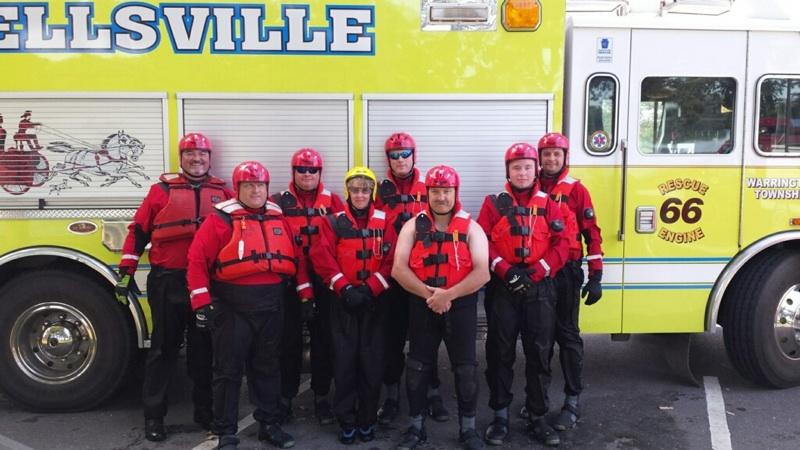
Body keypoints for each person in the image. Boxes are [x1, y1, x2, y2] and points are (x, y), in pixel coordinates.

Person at [186, 161, 313, 450]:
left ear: (267, 188)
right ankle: (225, 432)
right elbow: (196, 261)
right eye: (249, 185)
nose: (256, 190)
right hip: (232, 308)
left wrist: (306, 295)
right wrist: (202, 303)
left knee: (268, 368)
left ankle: (269, 424)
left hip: (271, 306)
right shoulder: (220, 220)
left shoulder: (279, 219)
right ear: (238, 188)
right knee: (228, 372)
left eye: (260, 185)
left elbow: (298, 260)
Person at [114, 133, 232, 441]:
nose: (197, 159)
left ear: (210, 158)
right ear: (180, 158)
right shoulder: (160, 192)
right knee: (163, 349)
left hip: (206, 284)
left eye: (202, 154)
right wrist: (126, 271)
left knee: (204, 351)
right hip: (168, 281)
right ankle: (154, 417)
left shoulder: (224, 193)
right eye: (190, 153)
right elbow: (138, 232)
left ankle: (204, 412)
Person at [477, 142, 569, 447]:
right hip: (504, 288)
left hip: (539, 288)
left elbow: (562, 245)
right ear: (508, 171)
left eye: (528, 167)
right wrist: (504, 270)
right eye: (516, 167)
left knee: (539, 353)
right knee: (499, 353)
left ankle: (538, 416)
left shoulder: (550, 204)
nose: (522, 172)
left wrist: (538, 271)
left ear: (536, 170)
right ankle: (500, 416)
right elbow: (481, 242)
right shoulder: (493, 204)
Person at [392, 165, 489, 450]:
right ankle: (415, 428)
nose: (441, 197)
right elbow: (399, 269)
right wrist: (430, 296)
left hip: (460, 306)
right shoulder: (413, 226)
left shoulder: (472, 227)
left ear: (455, 193)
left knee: (465, 370)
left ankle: (468, 430)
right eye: (436, 191)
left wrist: (449, 295)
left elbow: (483, 272)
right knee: (418, 367)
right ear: (427, 193)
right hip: (423, 304)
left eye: (446, 191)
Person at [311, 166, 396, 444]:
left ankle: (367, 419)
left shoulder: (385, 222)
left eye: (365, 190)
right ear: (347, 191)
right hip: (343, 303)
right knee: (345, 363)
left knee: (371, 364)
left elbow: (392, 260)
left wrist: (370, 289)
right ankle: (346, 420)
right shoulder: (333, 222)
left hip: (375, 303)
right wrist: (344, 288)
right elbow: (322, 257)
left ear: (372, 192)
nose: (360, 195)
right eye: (355, 189)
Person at [375, 132, 449, 425]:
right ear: (388, 160)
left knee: (425, 340)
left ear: (414, 156)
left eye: (405, 154)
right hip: (391, 279)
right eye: (394, 155)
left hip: (424, 276)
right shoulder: (377, 190)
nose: (400, 160)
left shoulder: (430, 187)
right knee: (391, 341)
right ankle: (392, 397)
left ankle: (432, 394)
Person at [271, 148, 344, 426]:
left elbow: (345, 238)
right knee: (287, 341)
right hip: (288, 282)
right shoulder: (277, 202)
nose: (307, 174)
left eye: (312, 170)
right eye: (301, 169)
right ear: (293, 172)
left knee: (324, 341)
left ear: (320, 173)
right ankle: (285, 398)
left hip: (325, 281)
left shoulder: (333, 201)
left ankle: (322, 397)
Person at [537, 132, 603, 431]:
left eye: (556, 154)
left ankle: (572, 400)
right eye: (546, 154)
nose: (551, 159)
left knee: (568, 337)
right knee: (540, 340)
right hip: (540, 274)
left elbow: (592, 233)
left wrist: (596, 275)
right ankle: (537, 402)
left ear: (565, 157)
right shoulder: (530, 186)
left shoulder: (577, 190)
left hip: (567, 273)